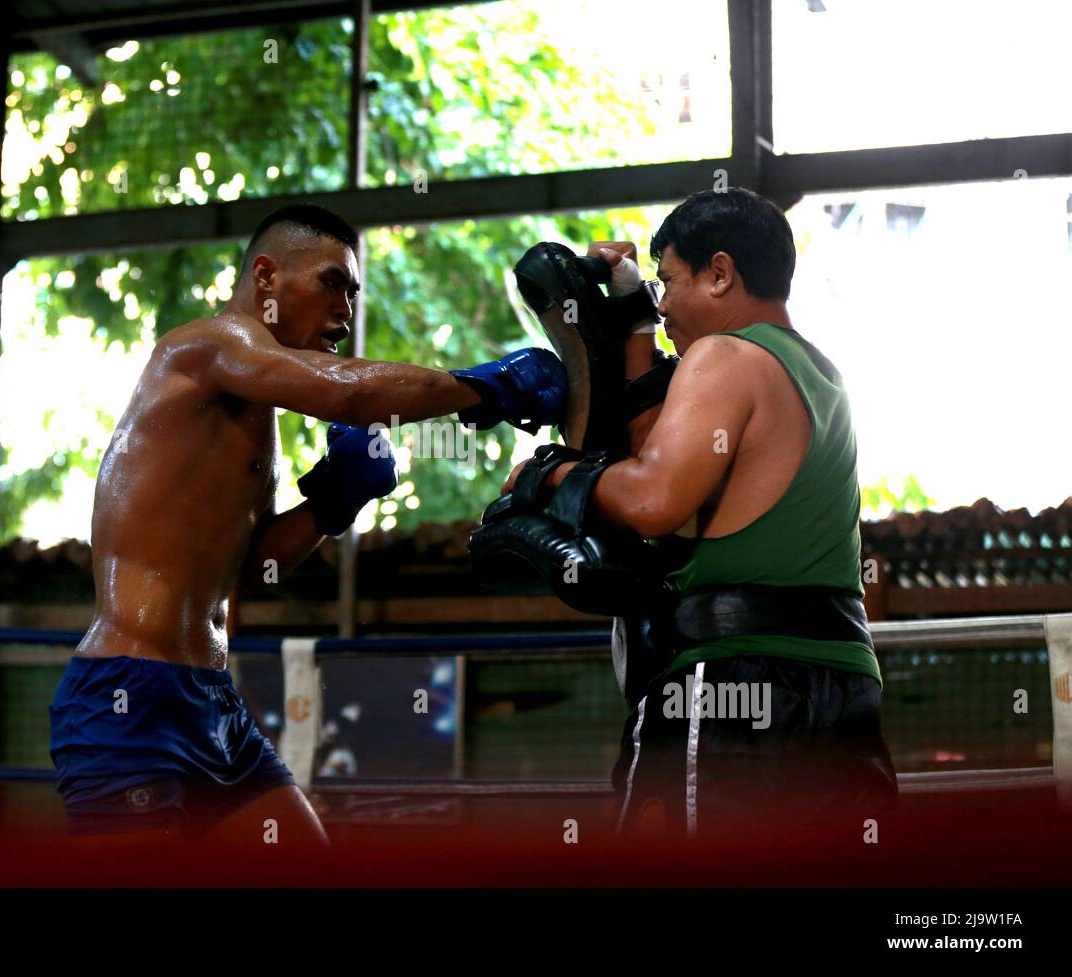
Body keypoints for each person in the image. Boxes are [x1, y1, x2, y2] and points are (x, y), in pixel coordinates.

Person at [49, 203, 565, 844]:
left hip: (211, 701)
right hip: (129, 697)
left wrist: (332, 501)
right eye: (331, 282)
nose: (345, 310)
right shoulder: (206, 346)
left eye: (354, 292)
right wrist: (486, 387)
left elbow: (253, 569)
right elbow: (347, 392)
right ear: (266, 276)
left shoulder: (250, 410)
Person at [502, 188, 897, 841]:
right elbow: (661, 450)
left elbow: (651, 498)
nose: (662, 305)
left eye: (668, 283)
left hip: (734, 683)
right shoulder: (820, 374)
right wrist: (633, 315)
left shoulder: (724, 355)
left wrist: (547, 475)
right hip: (842, 690)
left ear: (720, 273)